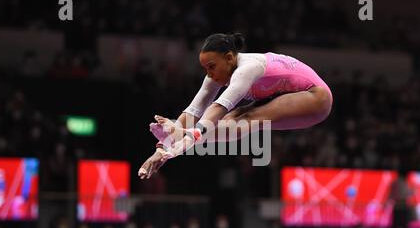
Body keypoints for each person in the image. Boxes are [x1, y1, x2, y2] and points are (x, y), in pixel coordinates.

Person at [139, 33, 333, 179]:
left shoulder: (248, 68)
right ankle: (181, 139)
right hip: (286, 96)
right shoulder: (217, 73)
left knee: (248, 117)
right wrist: (162, 148)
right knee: (233, 122)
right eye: (205, 68)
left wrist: (183, 140)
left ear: (230, 58)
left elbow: (217, 108)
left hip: (316, 97)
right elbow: (193, 111)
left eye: (212, 67)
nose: (209, 74)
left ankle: (183, 139)